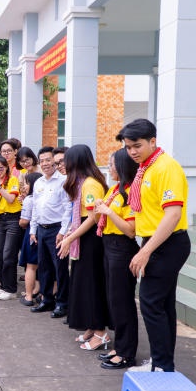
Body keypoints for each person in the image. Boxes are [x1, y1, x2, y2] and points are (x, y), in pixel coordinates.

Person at [119, 118, 190, 373]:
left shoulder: (166, 167)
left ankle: (160, 365)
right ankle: (163, 363)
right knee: (162, 304)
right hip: (154, 241)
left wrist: (146, 251)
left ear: (152, 141)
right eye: (128, 147)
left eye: (137, 145)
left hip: (167, 243)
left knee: (149, 302)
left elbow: (172, 215)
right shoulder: (145, 168)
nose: (132, 152)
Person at [58, 145, 110, 351]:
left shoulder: (90, 185)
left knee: (91, 286)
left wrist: (70, 238)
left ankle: (100, 333)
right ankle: (91, 326)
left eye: (66, 161)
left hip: (91, 242)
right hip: (84, 238)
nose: (64, 165)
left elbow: (92, 218)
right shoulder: (83, 183)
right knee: (83, 285)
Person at [94, 149, 140, 369]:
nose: (109, 168)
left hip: (122, 247)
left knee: (123, 302)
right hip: (109, 245)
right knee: (114, 300)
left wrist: (109, 213)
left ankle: (126, 353)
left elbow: (131, 230)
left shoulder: (131, 192)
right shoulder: (115, 189)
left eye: (112, 165)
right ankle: (120, 346)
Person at [30, 147, 71, 317]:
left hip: (57, 230)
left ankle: (62, 303)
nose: (45, 163)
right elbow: (35, 207)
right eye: (42, 160)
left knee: (59, 268)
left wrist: (63, 231)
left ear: (54, 161)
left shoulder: (63, 181)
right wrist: (33, 229)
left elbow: (68, 208)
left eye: (48, 160)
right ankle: (47, 300)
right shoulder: (38, 182)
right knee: (44, 267)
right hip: (41, 229)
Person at [0, 156, 23, 301]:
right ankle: (3, 286)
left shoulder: (13, 180)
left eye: (1, 168)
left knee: (8, 256)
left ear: (7, 168)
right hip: (0, 221)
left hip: (13, 219)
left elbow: (11, 199)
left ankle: (11, 289)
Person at [18, 172, 43, 306]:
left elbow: (24, 221)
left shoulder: (30, 199)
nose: (25, 186)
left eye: (27, 183)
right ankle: (38, 291)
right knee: (41, 265)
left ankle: (28, 296)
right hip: (45, 232)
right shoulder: (43, 197)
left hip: (31, 233)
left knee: (31, 267)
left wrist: (20, 222)